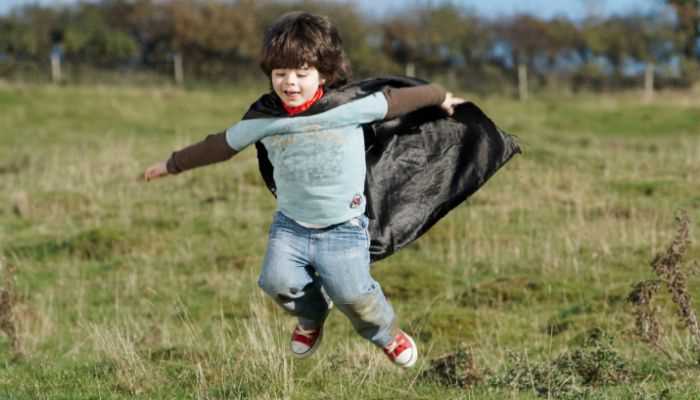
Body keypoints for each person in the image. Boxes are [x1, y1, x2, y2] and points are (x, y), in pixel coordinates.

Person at [144, 11, 465, 368]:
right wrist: (172, 164)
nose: (290, 83)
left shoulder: (350, 107)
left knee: (355, 295)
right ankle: (312, 318)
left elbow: (399, 98)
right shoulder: (265, 119)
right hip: (291, 226)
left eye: (301, 73)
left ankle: (386, 334)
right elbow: (220, 145)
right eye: (281, 74)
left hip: (343, 230)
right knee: (275, 281)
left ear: (324, 74)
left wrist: (440, 97)